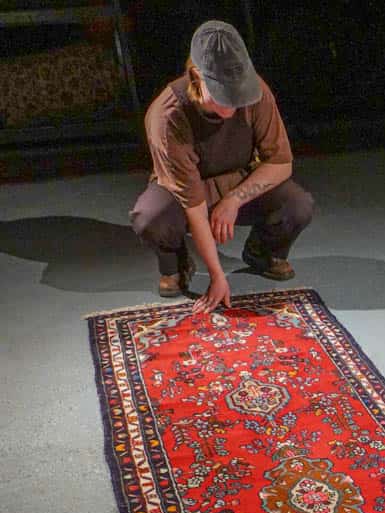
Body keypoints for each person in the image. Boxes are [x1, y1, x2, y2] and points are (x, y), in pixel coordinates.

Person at [130, 20, 314, 314]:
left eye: (237, 94)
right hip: (184, 193)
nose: (232, 105)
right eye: (223, 94)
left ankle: (263, 252)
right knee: (151, 217)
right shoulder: (168, 115)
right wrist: (217, 276)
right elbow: (193, 205)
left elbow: (281, 162)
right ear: (196, 77)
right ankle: (176, 263)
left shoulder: (256, 92)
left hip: (236, 179)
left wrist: (234, 200)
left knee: (297, 204)